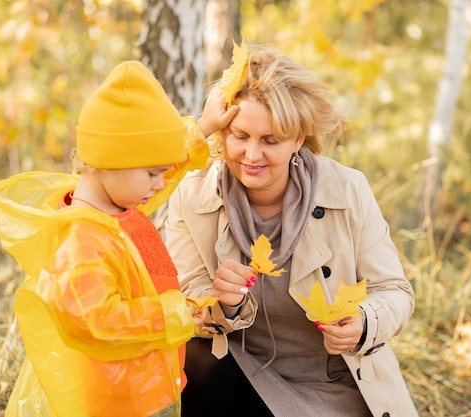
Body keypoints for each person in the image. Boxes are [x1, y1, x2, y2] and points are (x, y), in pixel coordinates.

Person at [165, 44, 419, 417]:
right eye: (240, 136)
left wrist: (364, 322)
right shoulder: (191, 196)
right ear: (221, 133)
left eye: (271, 140)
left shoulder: (347, 190)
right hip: (243, 374)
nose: (252, 156)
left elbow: (395, 292)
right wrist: (222, 302)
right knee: (195, 356)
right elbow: (187, 300)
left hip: (335, 382)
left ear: (298, 139)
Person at [0, 60, 237, 417]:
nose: (161, 183)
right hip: (109, 400)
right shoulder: (83, 240)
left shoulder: (117, 203)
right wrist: (177, 312)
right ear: (110, 163)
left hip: (140, 385)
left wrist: (203, 127)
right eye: (153, 173)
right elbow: (98, 320)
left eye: (163, 172)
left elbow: (154, 170)